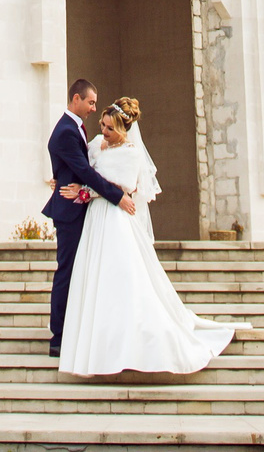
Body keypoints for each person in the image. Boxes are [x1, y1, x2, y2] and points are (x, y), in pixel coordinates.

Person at [58, 96, 244, 377]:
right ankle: (99, 347)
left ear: (122, 129)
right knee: (96, 280)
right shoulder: (97, 145)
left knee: (122, 279)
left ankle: (135, 345)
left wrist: (84, 192)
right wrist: (66, 183)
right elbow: (84, 170)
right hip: (96, 221)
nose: (103, 131)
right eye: (103, 125)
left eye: (109, 128)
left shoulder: (131, 154)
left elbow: (125, 186)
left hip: (116, 220)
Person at [43, 78, 133, 358]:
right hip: (70, 212)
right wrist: (117, 196)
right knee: (67, 272)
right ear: (76, 99)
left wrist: (64, 179)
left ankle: (76, 329)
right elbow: (86, 171)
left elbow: (80, 168)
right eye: (91, 102)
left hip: (81, 207)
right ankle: (58, 338)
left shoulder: (76, 129)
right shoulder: (67, 131)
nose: (94, 109)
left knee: (82, 271)